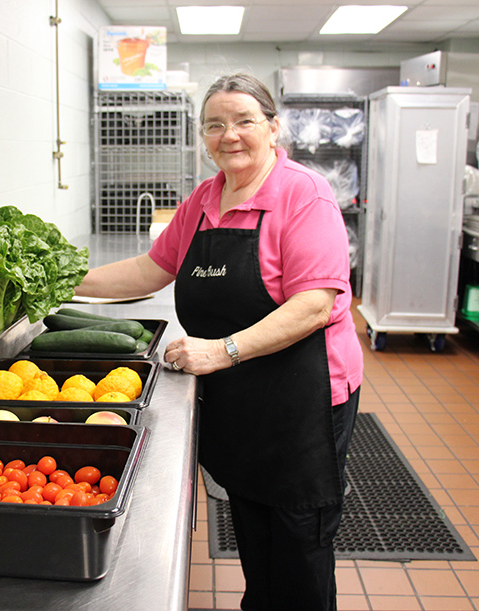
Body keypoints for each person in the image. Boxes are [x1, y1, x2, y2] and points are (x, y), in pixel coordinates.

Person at [76, 73, 363, 611]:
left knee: (300, 538)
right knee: (253, 521)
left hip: (303, 394)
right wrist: (64, 280)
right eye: (214, 125)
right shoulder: (206, 198)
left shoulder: (304, 195)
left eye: (244, 121)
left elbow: (313, 305)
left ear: (273, 129)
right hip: (242, 393)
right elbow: (150, 269)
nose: (229, 135)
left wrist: (220, 350)